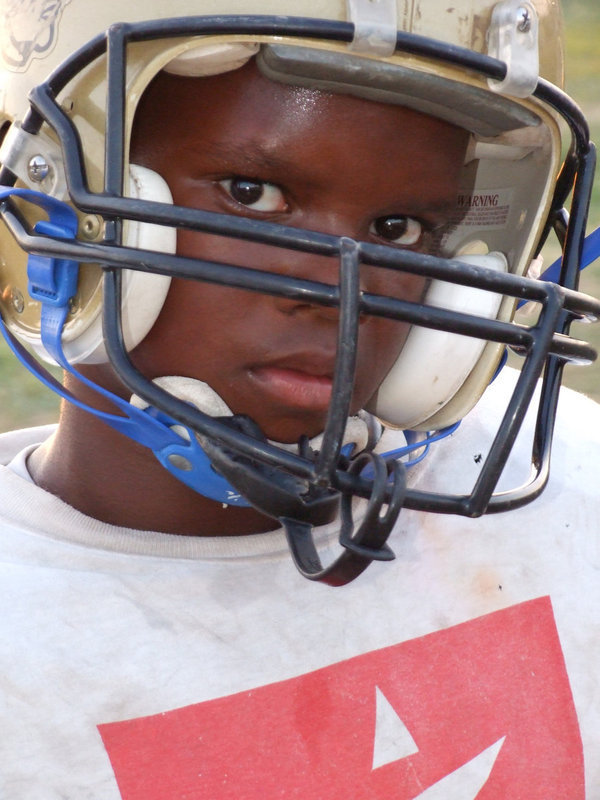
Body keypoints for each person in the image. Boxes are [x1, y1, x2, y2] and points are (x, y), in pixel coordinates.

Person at [0, 0, 599, 796]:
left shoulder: (574, 482)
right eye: (252, 192)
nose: (336, 288)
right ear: (51, 205)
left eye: (399, 225)